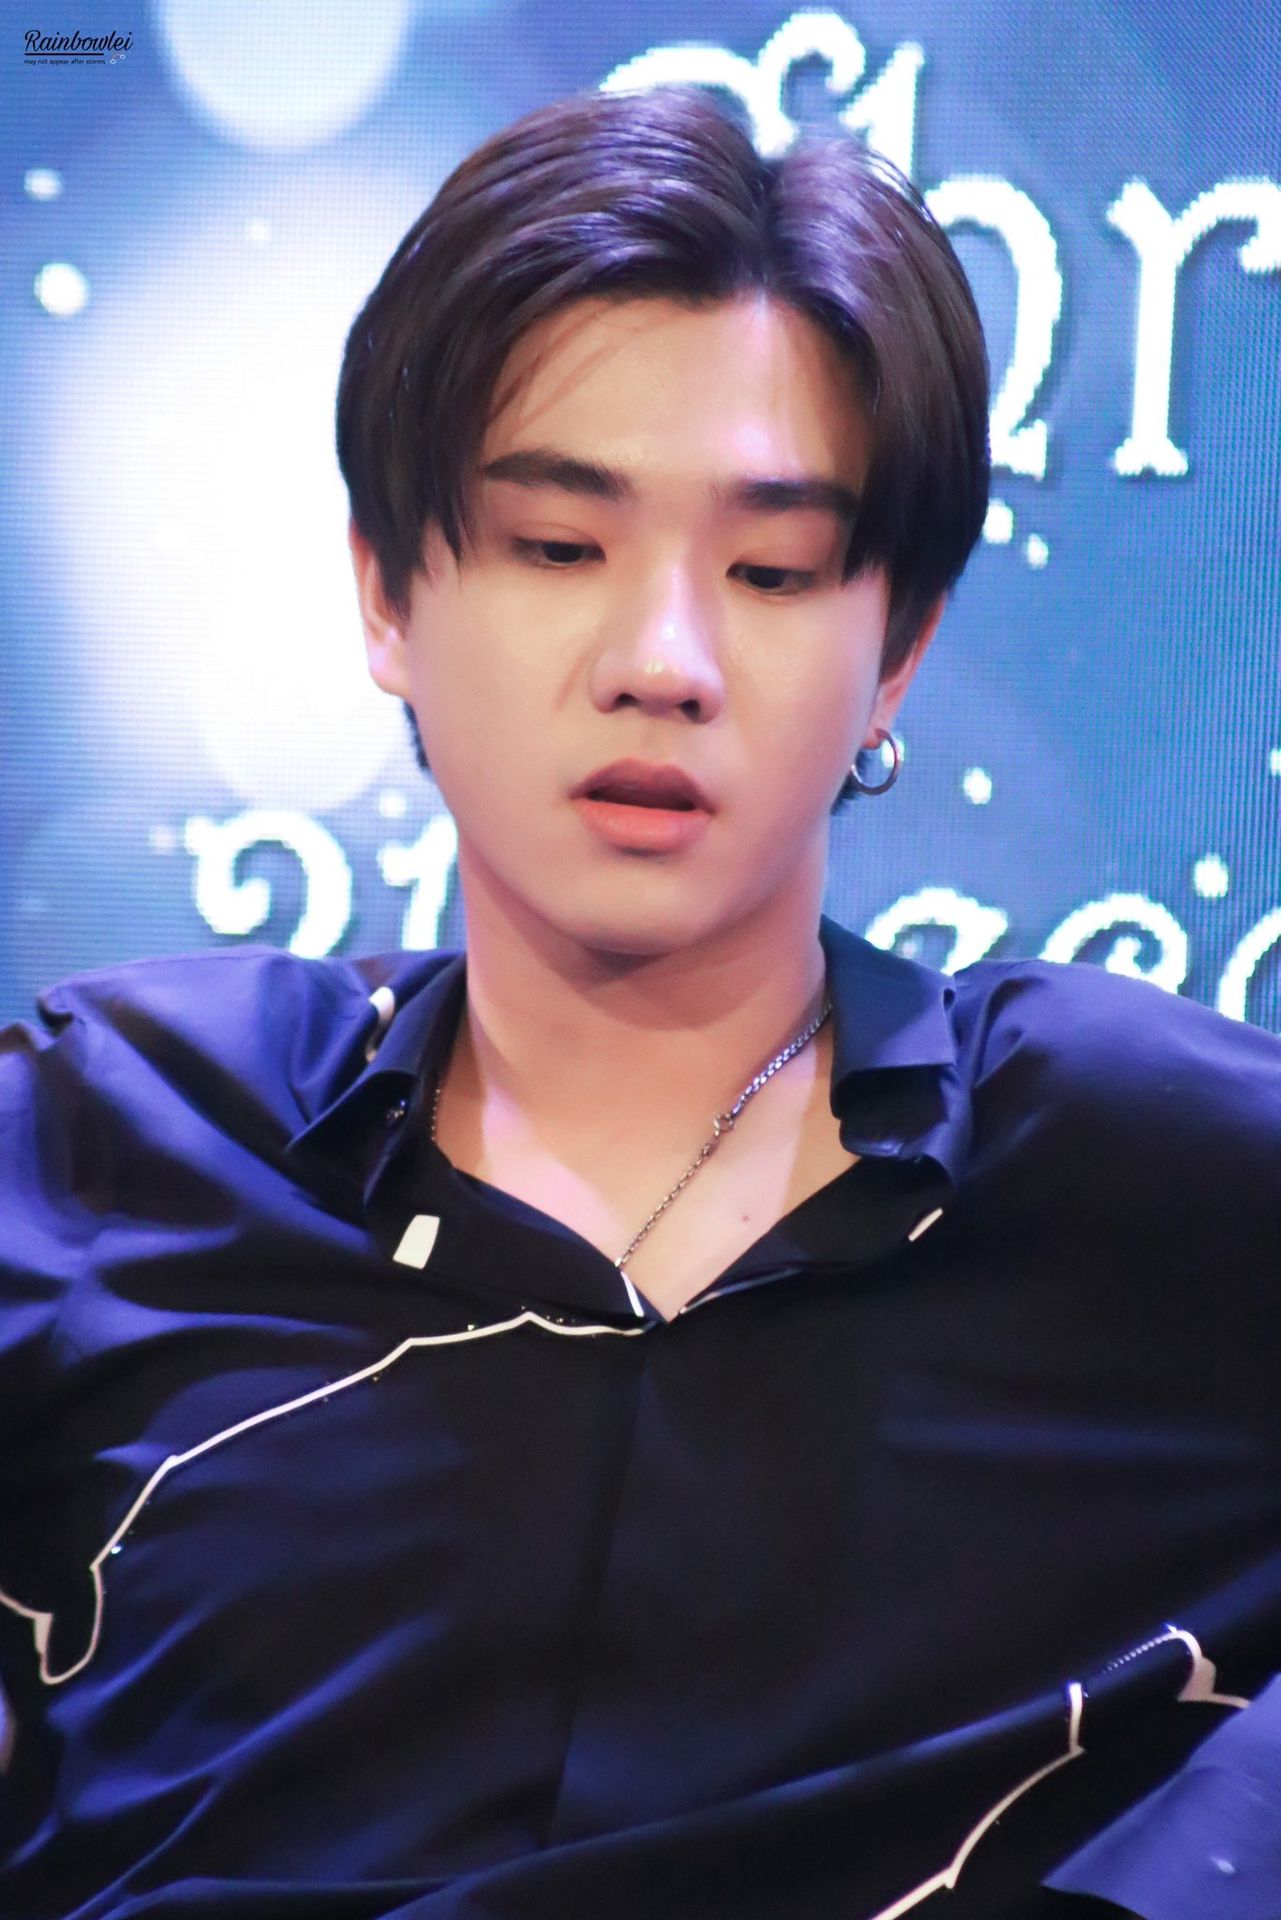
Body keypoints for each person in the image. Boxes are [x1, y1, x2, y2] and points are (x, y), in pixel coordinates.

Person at [1, 82, 1279, 1920]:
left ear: (897, 648)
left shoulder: (1131, 1156)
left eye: (770, 572)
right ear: (386, 592)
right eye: (556, 546)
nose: (662, 661)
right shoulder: (108, 1135)